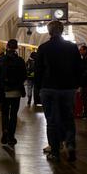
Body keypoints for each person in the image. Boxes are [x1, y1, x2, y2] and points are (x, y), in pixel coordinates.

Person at [35, 21, 81, 162]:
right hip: (67, 89)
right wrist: (76, 85)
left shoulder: (43, 48)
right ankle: (70, 144)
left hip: (48, 88)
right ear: (62, 31)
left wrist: (39, 88)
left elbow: (38, 70)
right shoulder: (72, 47)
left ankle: (55, 151)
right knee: (68, 117)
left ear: (49, 31)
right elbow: (78, 68)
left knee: (51, 120)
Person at [0, 39, 27, 146]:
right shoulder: (20, 61)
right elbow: (24, 76)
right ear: (16, 47)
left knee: (5, 113)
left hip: (4, 91)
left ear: (7, 46)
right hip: (16, 92)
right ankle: (11, 136)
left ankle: (5, 132)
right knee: (13, 115)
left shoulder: (0, 59)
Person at [79, 45, 87, 119]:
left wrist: (82, 77)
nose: (80, 51)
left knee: (83, 96)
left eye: (81, 50)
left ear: (85, 50)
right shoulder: (86, 57)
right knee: (84, 97)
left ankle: (86, 114)